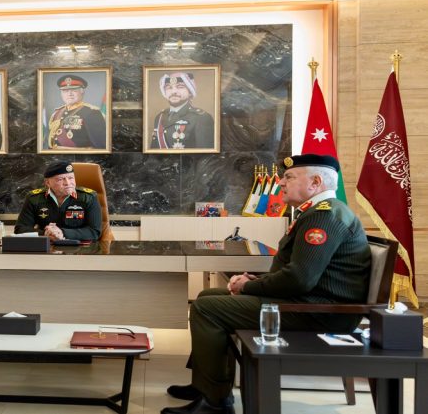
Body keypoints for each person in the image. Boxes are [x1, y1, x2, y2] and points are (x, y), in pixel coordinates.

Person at [161, 154, 371, 414]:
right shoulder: (320, 212)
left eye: (289, 177)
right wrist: (256, 280)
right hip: (306, 302)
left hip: (317, 312)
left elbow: (299, 279)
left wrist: (247, 287)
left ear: (315, 182)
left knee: (207, 309)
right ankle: (204, 384)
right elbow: (298, 273)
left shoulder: (324, 216)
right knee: (207, 297)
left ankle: (215, 403)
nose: (281, 183)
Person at [15, 160, 102, 241]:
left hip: (79, 248)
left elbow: (94, 232)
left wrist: (62, 233)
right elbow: (20, 229)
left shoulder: (88, 197)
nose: (67, 183)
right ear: (48, 183)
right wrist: (46, 233)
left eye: (71, 178)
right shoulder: (34, 198)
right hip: (47, 246)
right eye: (60, 179)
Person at [151, 72, 214, 150]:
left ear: (190, 92)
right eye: (169, 87)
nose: (173, 91)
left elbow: (205, 155)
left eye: (180, 87)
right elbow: (153, 151)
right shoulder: (159, 117)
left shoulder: (201, 118)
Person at [47, 74, 107, 150]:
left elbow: (100, 147)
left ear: (82, 91)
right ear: (61, 93)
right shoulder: (56, 113)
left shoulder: (92, 113)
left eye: (74, 90)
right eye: (65, 91)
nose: (69, 94)